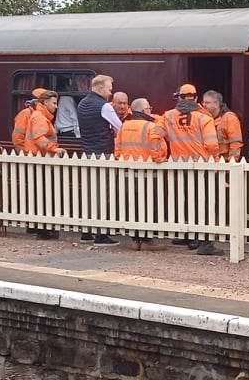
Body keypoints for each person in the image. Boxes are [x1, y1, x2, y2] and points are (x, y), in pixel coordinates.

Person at [162, 83, 221, 255]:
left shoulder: (167, 116)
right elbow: (212, 145)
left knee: (187, 202)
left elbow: (156, 134)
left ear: (179, 97)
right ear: (195, 98)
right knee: (207, 205)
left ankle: (189, 236)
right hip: (202, 168)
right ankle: (205, 243)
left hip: (180, 167)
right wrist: (214, 160)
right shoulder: (204, 118)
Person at [116, 98, 170, 251]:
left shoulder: (124, 126)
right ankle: (147, 240)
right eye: (148, 107)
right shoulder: (151, 126)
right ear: (144, 109)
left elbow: (117, 148)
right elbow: (156, 147)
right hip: (148, 173)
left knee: (132, 205)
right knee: (149, 206)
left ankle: (134, 240)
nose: (150, 110)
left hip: (128, 173)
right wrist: (160, 159)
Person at [75, 74, 121, 244]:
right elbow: (120, 127)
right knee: (104, 193)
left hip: (88, 153)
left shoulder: (82, 104)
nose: (110, 92)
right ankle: (101, 234)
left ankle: (86, 232)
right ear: (101, 88)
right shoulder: (104, 106)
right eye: (109, 89)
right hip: (104, 153)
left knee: (89, 192)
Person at [16, 90, 61, 156]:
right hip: (37, 156)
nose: (56, 106)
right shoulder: (39, 116)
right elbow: (39, 138)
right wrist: (54, 148)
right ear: (45, 102)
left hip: (36, 155)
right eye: (54, 103)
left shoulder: (41, 115)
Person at [202, 90, 244, 162]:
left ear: (216, 104)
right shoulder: (205, 118)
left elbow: (236, 143)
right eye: (203, 102)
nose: (204, 105)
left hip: (224, 162)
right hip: (210, 162)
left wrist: (231, 163)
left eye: (207, 103)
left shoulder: (229, 118)